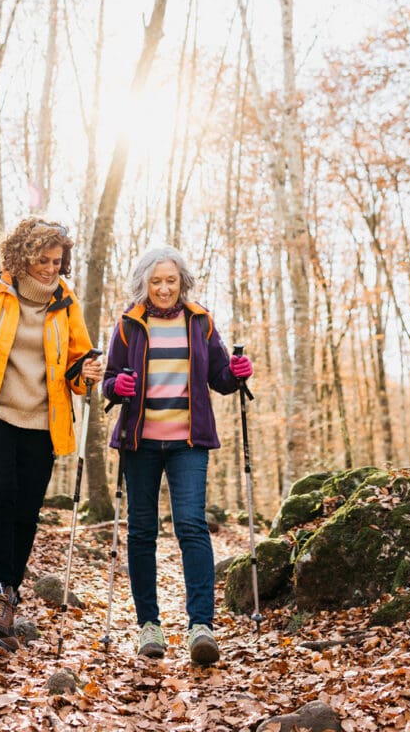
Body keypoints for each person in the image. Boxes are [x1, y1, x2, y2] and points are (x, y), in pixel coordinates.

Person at [0, 217, 104, 644]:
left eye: (57, 261)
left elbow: (77, 366)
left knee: (27, 508)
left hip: (42, 421)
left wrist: (87, 371)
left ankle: (10, 591)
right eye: (42, 261)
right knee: (1, 495)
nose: (51, 269)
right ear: (21, 257)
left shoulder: (66, 302)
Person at [102, 246, 253, 666]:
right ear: (144, 285)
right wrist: (118, 388)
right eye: (156, 281)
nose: (164, 288)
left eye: (171, 280)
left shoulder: (199, 322)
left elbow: (221, 377)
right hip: (141, 443)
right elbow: (109, 381)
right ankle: (148, 626)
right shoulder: (129, 325)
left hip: (189, 442)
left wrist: (238, 372)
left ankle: (200, 626)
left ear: (181, 282)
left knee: (191, 525)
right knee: (142, 531)